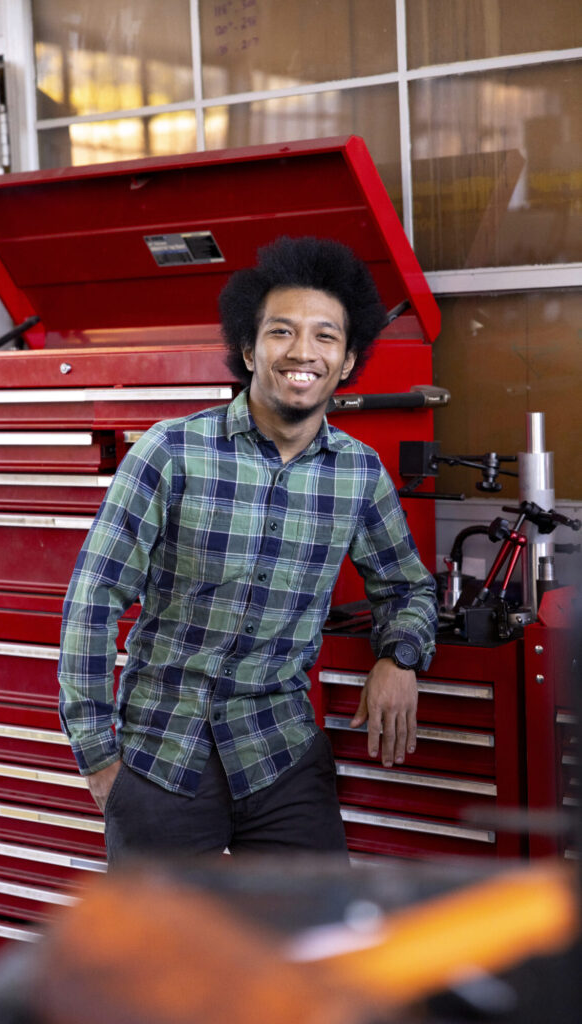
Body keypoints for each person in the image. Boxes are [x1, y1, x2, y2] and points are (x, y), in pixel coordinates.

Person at [58, 236, 437, 861]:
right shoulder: (171, 452)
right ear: (248, 348)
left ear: (346, 363)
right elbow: (92, 604)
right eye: (282, 332)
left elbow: (408, 588)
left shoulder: (359, 473)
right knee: (166, 960)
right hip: (162, 756)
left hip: (279, 754)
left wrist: (399, 657)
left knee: (314, 948)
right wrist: (98, 756)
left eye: (325, 337)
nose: (302, 353)